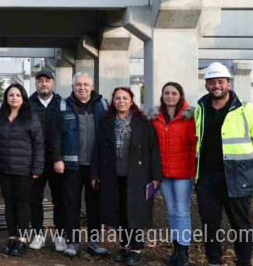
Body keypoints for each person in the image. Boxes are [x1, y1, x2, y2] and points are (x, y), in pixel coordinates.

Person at [195, 62, 253, 266]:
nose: (216, 86)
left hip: (238, 176)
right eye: (212, 82)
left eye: (220, 81)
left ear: (228, 83)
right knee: (210, 224)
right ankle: (213, 261)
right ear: (206, 85)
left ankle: (244, 261)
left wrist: (248, 161)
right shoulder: (200, 109)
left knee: (241, 224)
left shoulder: (248, 110)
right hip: (207, 177)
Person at [91, 87, 162, 266]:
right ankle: (123, 246)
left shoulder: (144, 123)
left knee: (136, 212)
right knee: (119, 211)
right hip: (112, 175)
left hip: (138, 177)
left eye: (125, 98)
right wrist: (95, 173)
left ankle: (136, 249)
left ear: (131, 101)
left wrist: (155, 177)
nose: (121, 101)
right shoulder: (106, 123)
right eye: (117, 98)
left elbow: (153, 151)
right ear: (113, 101)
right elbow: (97, 150)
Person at [49, 73, 108, 257]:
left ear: (92, 86)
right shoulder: (62, 105)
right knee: (71, 204)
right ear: (72, 86)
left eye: (85, 84)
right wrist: (57, 158)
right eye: (78, 85)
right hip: (71, 167)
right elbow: (55, 135)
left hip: (96, 167)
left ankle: (94, 241)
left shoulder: (103, 105)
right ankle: (72, 241)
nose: (82, 88)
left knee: (95, 205)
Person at [0, 83, 44, 256]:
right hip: (4, 169)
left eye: (18, 95)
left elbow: (38, 144)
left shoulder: (30, 117)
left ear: (23, 97)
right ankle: (12, 237)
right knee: (9, 204)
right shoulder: (1, 117)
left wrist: (37, 167)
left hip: (24, 170)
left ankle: (23, 239)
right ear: (6, 98)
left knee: (22, 204)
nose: (14, 98)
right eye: (11, 95)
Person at [149, 82, 196, 266]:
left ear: (180, 95)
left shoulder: (189, 117)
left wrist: (193, 169)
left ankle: (184, 252)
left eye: (174, 93)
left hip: (183, 172)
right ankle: (176, 250)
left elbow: (194, 144)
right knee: (171, 210)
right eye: (167, 93)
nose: (170, 96)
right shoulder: (155, 118)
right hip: (164, 173)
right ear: (162, 95)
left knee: (183, 211)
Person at [27, 70, 67, 251]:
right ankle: (37, 234)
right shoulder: (28, 104)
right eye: (40, 81)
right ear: (36, 84)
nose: (44, 84)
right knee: (34, 199)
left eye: (47, 81)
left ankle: (60, 235)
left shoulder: (63, 104)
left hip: (57, 160)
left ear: (53, 83)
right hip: (35, 160)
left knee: (60, 198)